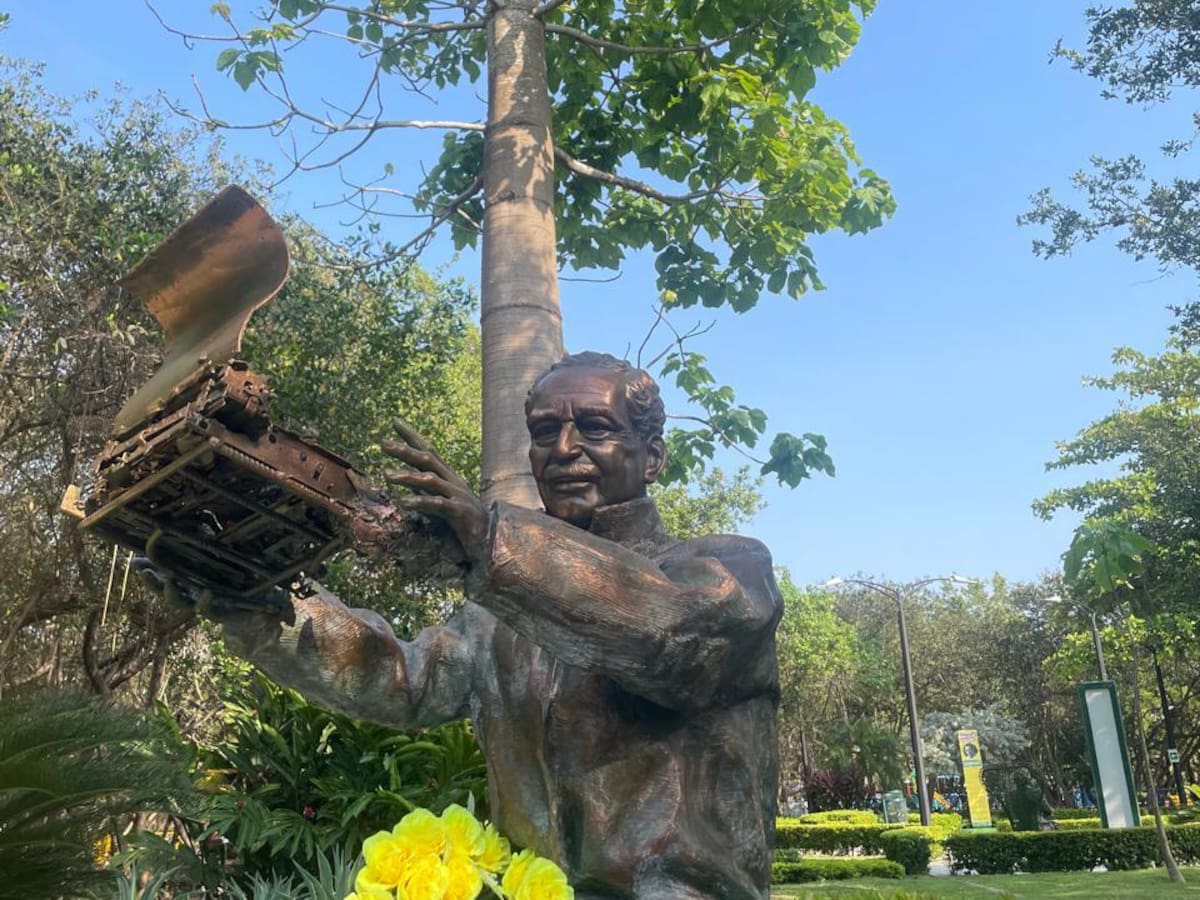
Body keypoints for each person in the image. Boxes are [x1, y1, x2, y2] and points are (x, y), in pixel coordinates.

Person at [159, 351, 783, 899]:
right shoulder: (496, 612)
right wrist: (254, 601)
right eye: (545, 432)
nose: (564, 449)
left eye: (595, 427)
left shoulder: (729, 570)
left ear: (652, 457)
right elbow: (400, 678)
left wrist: (494, 541)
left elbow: (669, 636)